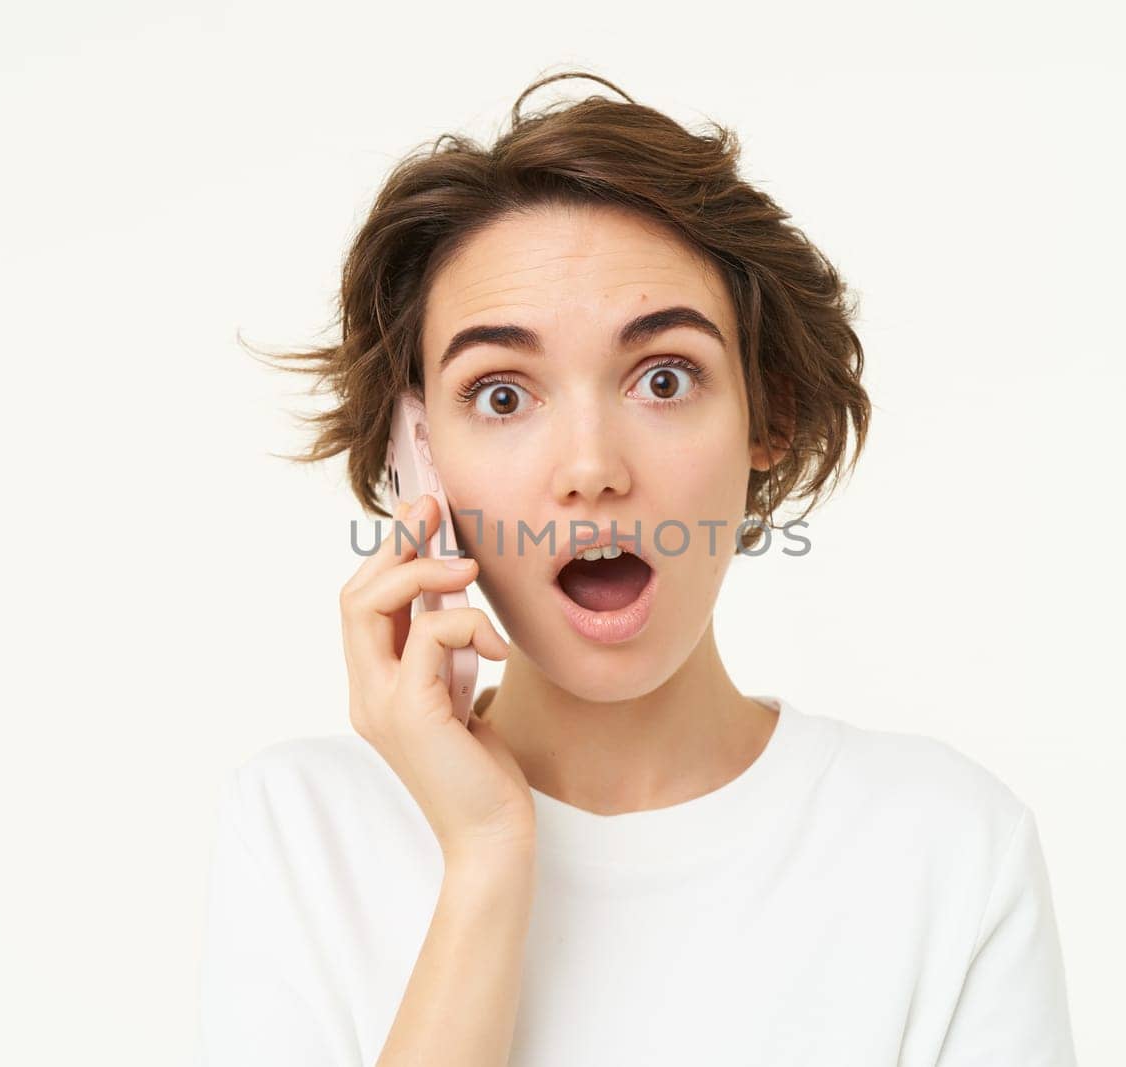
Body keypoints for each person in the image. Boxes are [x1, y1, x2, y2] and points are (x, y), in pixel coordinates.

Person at [198, 70, 1077, 1067]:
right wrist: (487, 858)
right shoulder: (308, 831)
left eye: (663, 378)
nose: (590, 469)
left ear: (766, 411)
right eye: (499, 394)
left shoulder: (948, 845)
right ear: (420, 453)